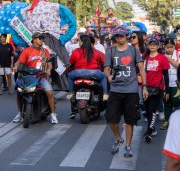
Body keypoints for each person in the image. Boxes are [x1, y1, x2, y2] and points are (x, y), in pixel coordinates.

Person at [16, 0, 76, 91]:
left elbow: (72, 22)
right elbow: (14, 28)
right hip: (33, 42)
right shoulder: (24, 11)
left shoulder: (55, 7)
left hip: (52, 41)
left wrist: (63, 38)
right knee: (32, 67)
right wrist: (22, 42)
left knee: (57, 67)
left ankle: (58, 89)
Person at [104, 26, 148, 158]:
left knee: (130, 120)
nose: (119, 38)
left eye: (121, 36)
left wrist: (144, 86)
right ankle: (118, 139)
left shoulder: (134, 50)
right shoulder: (111, 51)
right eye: (117, 36)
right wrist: (109, 76)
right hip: (116, 89)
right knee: (111, 118)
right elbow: (106, 68)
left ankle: (128, 146)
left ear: (126, 36)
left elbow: (141, 68)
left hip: (131, 90)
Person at [12, 32, 58, 124]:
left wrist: (48, 70)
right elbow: (19, 62)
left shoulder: (45, 51)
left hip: (41, 77)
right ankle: (20, 113)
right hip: (27, 76)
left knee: (49, 92)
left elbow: (49, 64)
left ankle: (53, 114)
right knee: (19, 92)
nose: (41, 40)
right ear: (34, 40)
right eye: (39, 38)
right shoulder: (27, 51)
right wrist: (15, 66)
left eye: (42, 38)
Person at [142, 37, 170, 142]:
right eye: (150, 44)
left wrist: (166, 90)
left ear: (158, 46)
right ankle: (152, 129)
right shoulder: (145, 57)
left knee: (152, 110)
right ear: (148, 46)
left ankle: (148, 132)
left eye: (154, 44)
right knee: (148, 111)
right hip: (145, 88)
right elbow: (141, 72)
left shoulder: (162, 58)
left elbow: (166, 75)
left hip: (157, 88)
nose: (152, 46)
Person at [68, 35, 107, 105]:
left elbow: (70, 62)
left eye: (79, 41)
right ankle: (105, 94)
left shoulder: (76, 51)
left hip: (77, 73)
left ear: (82, 42)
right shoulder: (97, 52)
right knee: (104, 77)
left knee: (70, 76)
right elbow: (105, 62)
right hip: (94, 73)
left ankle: (71, 94)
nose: (78, 42)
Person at [161, 38, 180, 130]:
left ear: (174, 46)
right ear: (164, 47)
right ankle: (167, 121)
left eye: (171, 47)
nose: (169, 49)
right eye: (167, 47)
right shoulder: (161, 55)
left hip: (177, 84)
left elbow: (178, 66)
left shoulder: (178, 54)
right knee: (167, 102)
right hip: (166, 83)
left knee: (177, 103)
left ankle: (177, 122)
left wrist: (168, 59)